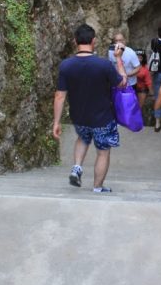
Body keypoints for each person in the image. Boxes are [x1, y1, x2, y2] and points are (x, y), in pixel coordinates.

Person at [52, 23, 126, 193]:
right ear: (94, 41)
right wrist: (119, 59)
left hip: (79, 116)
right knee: (103, 152)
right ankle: (97, 188)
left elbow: (60, 95)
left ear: (74, 41)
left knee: (83, 138)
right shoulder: (104, 65)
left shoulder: (66, 66)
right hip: (103, 118)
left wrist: (56, 122)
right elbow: (122, 84)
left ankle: (77, 167)